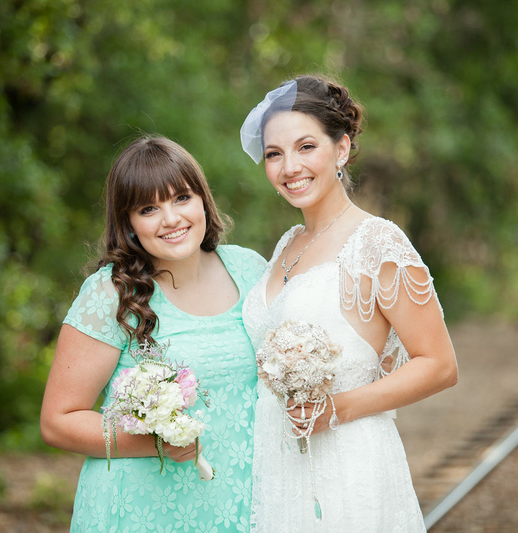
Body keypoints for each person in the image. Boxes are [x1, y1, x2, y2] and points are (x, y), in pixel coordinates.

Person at [239, 75, 458, 531]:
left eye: (305, 147)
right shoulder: (287, 244)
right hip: (279, 466)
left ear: (340, 149)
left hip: (349, 463)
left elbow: (439, 364)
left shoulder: (377, 242)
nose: (288, 167)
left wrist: (336, 409)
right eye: (274, 154)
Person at [40, 136, 267, 532]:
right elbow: (58, 421)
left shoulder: (251, 270)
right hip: (140, 511)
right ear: (128, 223)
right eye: (149, 208)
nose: (171, 219)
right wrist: (157, 442)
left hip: (239, 505)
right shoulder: (111, 294)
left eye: (181, 198)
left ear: (203, 200)